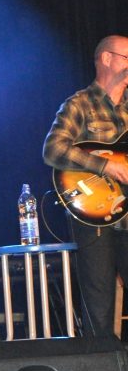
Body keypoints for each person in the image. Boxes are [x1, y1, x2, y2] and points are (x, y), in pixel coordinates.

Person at [43, 35, 128, 337]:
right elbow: (52, 149)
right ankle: (102, 365)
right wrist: (105, 166)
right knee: (99, 305)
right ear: (107, 59)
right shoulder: (79, 104)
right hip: (94, 218)